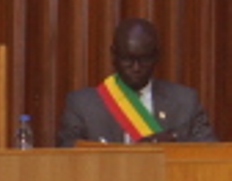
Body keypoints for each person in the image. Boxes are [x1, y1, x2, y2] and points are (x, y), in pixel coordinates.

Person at [57, 17, 217, 146]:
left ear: (156, 57)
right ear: (114, 56)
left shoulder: (185, 102)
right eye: (128, 59)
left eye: (144, 59)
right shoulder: (83, 106)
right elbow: (69, 158)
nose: (136, 68)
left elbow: (209, 155)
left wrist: (171, 147)